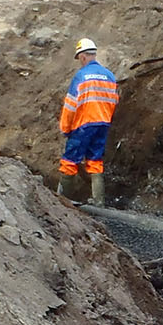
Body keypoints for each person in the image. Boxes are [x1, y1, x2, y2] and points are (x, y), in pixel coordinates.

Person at [57, 38, 117, 204]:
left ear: (83, 56)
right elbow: (114, 102)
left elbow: (70, 105)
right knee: (95, 160)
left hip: (83, 124)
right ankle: (99, 203)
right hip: (103, 123)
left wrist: (65, 128)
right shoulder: (109, 76)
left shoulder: (81, 76)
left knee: (69, 161)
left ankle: (62, 202)